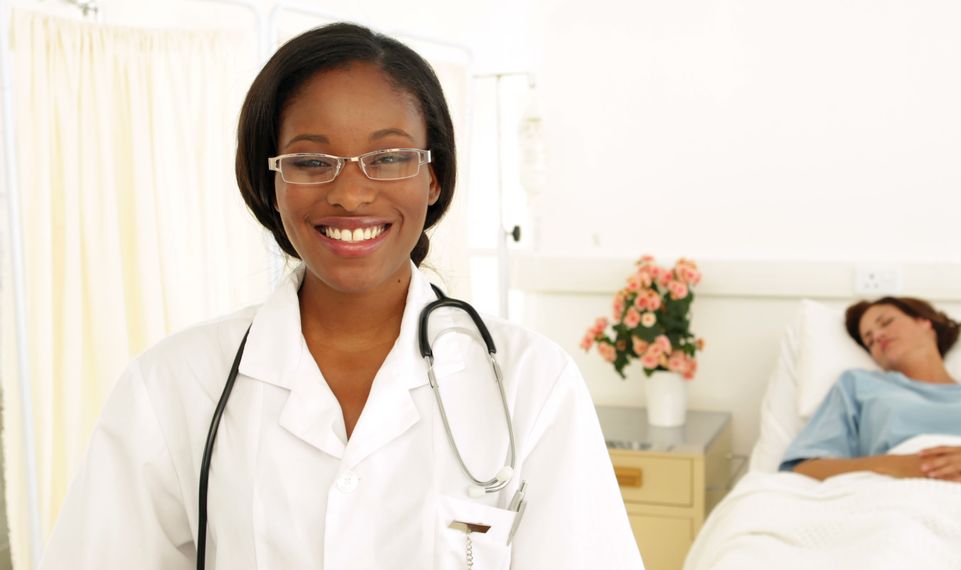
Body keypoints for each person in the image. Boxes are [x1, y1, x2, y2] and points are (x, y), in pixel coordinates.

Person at [40, 23, 643, 569]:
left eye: (387, 157)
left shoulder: (531, 384)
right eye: (310, 160)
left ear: (434, 177)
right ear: (268, 180)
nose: (351, 195)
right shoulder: (172, 386)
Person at [780, 296, 961, 483]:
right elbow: (804, 470)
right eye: (869, 339)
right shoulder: (858, 386)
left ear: (926, 324)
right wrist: (891, 466)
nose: (878, 336)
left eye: (886, 323)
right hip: (888, 500)